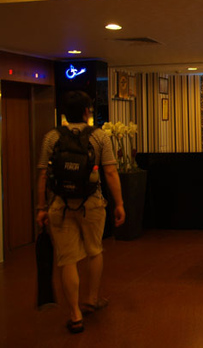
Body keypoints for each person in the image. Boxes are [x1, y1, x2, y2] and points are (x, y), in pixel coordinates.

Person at [36, 91, 125, 334]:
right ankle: (91, 300)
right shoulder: (99, 136)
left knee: (67, 258)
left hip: (59, 205)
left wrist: (41, 208)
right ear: (87, 112)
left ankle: (75, 314)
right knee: (94, 250)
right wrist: (119, 203)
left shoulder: (51, 137)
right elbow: (110, 172)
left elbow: (43, 175)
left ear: (64, 113)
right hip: (92, 203)